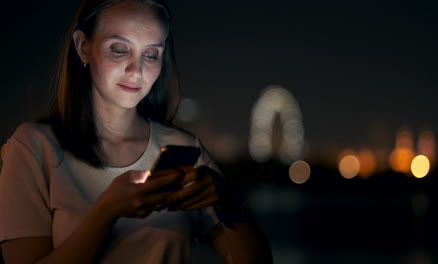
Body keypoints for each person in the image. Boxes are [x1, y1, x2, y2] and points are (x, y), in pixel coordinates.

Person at [0, 0, 272, 263]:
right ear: (83, 47)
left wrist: (227, 201)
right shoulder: (34, 147)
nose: (136, 69)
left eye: (151, 54)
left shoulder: (183, 148)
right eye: (119, 49)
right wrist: (106, 211)